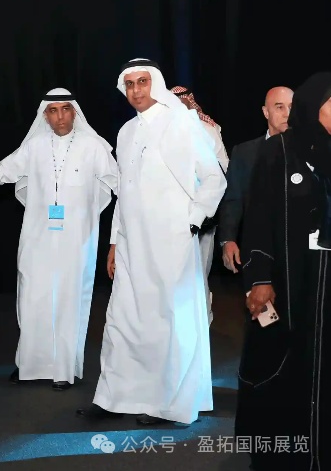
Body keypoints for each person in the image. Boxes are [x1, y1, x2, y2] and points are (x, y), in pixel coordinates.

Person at [77, 59, 226, 425]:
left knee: (169, 320)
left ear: (155, 83)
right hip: (132, 242)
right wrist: (115, 241)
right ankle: (115, 397)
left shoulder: (182, 123)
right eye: (129, 84)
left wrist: (191, 221)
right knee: (123, 318)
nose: (136, 90)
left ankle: (171, 404)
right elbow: (124, 190)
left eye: (142, 81)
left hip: (171, 242)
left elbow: (214, 178)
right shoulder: (126, 131)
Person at [0, 88, 118, 390]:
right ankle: (31, 366)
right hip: (37, 236)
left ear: (74, 112)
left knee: (69, 299)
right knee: (33, 297)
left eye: (65, 109)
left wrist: (121, 235)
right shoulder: (34, 147)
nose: (60, 116)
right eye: (53, 110)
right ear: (45, 115)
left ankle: (64, 369)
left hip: (77, 239)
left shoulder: (93, 146)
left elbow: (121, 187)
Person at [236, 72, 331, 471]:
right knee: (287, 364)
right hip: (293, 283)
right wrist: (259, 279)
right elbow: (259, 218)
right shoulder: (279, 150)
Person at [217, 86, 293, 273]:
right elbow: (233, 199)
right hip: (257, 248)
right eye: (279, 107)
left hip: (300, 248)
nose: (287, 113)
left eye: (292, 107)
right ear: (266, 112)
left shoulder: (312, 150)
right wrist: (228, 239)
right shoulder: (245, 153)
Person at [171, 85, 230, 324]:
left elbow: (223, 166)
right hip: (172, 213)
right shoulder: (165, 133)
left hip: (203, 213)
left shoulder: (207, 129)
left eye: (183, 101)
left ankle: (202, 320)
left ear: (190, 101)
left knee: (198, 271)